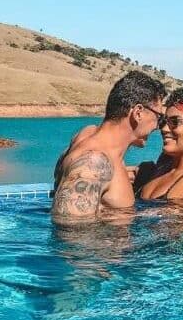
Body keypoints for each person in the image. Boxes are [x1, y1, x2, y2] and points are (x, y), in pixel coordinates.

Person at [51, 70, 166, 224]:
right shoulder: (93, 163)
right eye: (158, 117)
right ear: (138, 113)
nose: (158, 126)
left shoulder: (87, 135)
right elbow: (69, 234)